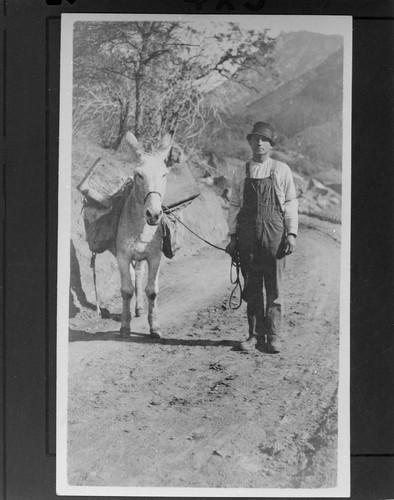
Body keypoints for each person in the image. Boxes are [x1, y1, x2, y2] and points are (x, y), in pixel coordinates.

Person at [225, 122, 298, 353]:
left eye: (264, 140)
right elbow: (234, 205)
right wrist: (233, 236)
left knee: (274, 288)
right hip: (248, 238)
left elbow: (290, 203)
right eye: (255, 139)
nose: (259, 143)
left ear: (271, 145)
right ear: (250, 142)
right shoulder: (241, 171)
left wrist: (292, 234)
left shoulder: (281, 170)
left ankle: (274, 336)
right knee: (253, 288)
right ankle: (254, 336)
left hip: (274, 236)